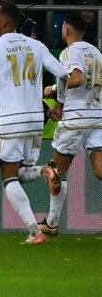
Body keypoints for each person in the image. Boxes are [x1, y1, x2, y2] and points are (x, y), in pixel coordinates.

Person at [0, 2, 69, 244]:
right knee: (21, 174)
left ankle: (35, 233)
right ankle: (46, 170)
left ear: (5, 21)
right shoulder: (36, 45)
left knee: (8, 178)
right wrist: (59, 105)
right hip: (35, 120)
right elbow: (63, 74)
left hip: (8, 120)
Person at [39, 12, 102, 237]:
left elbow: (77, 78)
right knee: (100, 170)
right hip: (98, 117)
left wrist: (53, 89)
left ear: (65, 30)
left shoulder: (69, 52)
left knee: (56, 172)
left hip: (76, 120)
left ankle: (52, 224)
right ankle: (51, 224)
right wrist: (60, 106)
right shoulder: (96, 52)